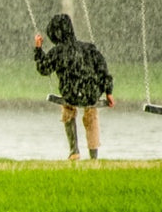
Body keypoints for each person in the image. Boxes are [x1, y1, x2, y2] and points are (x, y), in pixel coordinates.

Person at [34, 13, 115, 160]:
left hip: (70, 92)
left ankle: (74, 150)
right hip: (91, 93)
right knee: (91, 114)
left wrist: (38, 49)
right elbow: (103, 69)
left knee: (68, 109)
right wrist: (109, 92)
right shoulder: (89, 48)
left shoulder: (58, 52)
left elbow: (43, 69)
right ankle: (94, 155)